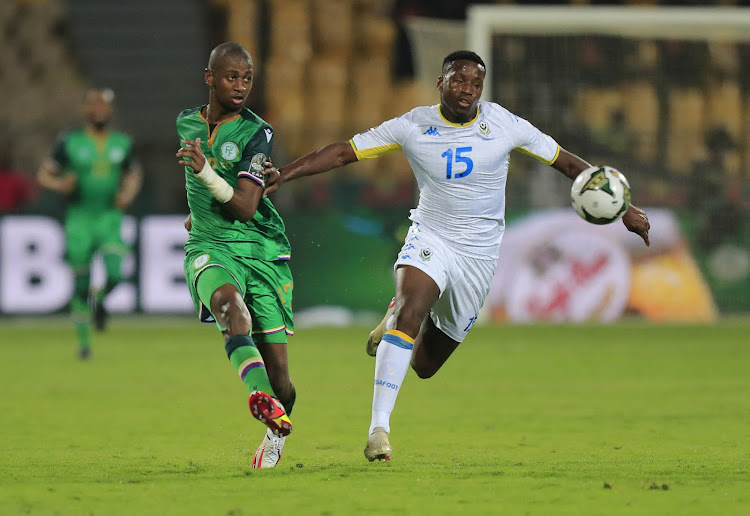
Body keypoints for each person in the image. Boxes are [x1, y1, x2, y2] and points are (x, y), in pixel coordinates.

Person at [266, 50, 651, 462]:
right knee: (411, 311)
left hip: (479, 257)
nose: (467, 90)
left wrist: (623, 208)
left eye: (475, 83)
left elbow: (566, 162)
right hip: (431, 235)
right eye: (458, 80)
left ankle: (399, 316)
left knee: (425, 365)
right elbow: (344, 152)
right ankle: (379, 428)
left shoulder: (503, 123)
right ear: (441, 82)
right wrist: (284, 174)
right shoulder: (413, 125)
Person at [175, 42, 295, 469]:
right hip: (209, 249)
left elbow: (245, 207)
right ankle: (258, 397)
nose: (241, 85)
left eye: (247, 78)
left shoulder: (258, 133)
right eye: (231, 77)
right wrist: (196, 217)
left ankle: (274, 425)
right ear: (210, 78)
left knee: (283, 379)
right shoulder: (186, 122)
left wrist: (205, 170)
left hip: (258, 251)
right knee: (229, 308)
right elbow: (202, 190)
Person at [37, 88, 142, 360]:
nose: (99, 110)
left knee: (116, 272)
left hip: (109, 217)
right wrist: (60, 184)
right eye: (94, 105)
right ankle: (84, 345)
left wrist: (127, 193)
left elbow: (133, 175)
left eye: (104, 106)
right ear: (85, 110)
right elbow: (44, 175)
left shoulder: (121, 143)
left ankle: (101, 299)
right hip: (79, 219)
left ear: (110, 111)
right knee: (80, 284)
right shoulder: (69, 142)